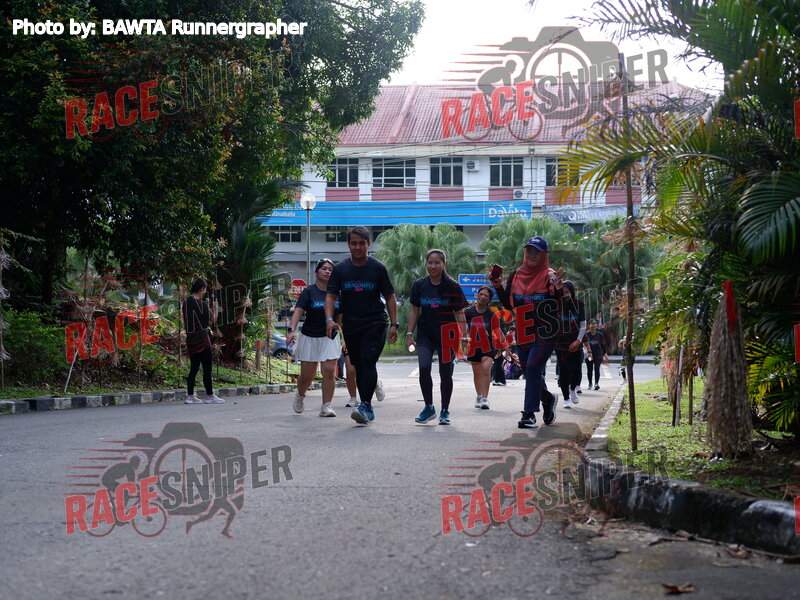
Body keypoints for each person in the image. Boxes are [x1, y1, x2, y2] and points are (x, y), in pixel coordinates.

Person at [325, 226, 398, 425]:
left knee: (368, 360)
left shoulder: (378, 268)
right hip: (351, 324)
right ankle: (366, 406)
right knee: (357, 365)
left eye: (362, 243)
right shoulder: (340, 269)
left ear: (369, 244)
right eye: (354, 243)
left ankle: (365, 405)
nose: (358, 247)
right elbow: (330, 296)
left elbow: (390, 297)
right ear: (348, 245)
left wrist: (394, 323)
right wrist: (329, 320)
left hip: (375, 322)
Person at [490, 236, 565, 428]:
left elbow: (558, 306)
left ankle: (528, 414)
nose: (532, 255)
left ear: (543, 255)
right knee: (529, 371)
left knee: (532, 368)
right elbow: (509, 304)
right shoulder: (516, 275)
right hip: (524, 329)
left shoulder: (550, 276)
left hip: (546, 330)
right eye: (529, 251)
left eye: (536, 252)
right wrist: (497, 285)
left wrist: (558, 290)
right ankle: (547, 399)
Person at [405, 249, 468, 425]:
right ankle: (428, 407)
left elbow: (460, 312)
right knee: (424, 367)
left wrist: (464, 336)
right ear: (426, 264)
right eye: (430, 262)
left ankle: (445, 410)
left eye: (437, 263)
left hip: (448, 335)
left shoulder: (452, 286)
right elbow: (415, 310)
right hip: (425, 334)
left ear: (444, 264)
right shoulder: (419, 285)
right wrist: (409, 334)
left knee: (445, 373)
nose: (433, 266)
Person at [286, 258, 342, 417]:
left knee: (329, 371)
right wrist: (291, 330)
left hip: (330, 337)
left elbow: (341, 316)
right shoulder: (309, 291)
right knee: (307, 376)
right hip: (309, 336)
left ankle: (326, 406)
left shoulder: (337, 293)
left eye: (330, 269)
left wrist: (344, 334)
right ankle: (300, 395)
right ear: (317, 272)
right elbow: (298, 311)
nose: (327, 271)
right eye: (324, 268)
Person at [182, 278, 224, 404]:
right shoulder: (202, 305)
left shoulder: (185, 304)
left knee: (194, 368)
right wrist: (215, 308)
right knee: (207, 368)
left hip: (191, 340)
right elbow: (213, 319)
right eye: (205, 289)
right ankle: (209, 395)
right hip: (202, 340)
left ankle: (190, 396)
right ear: (202, 289)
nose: (205, 291)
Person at [464, 286, 500, 410]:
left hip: (488, 346)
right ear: (477, 295)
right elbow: (462, 328)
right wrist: (463, 340)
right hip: (473, 346)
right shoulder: (468, 312)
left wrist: (502, 347)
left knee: (485, 369)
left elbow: (497, 332)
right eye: (481, 294)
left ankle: (485, 398)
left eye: (486, 296)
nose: (483, 297)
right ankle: (479, 396)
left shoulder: (491, 315)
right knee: (477, 373)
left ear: (489, 299)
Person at [555, 281, 586, 408]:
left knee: (576, 370)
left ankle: (572, 389)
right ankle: (566, 399)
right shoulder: (556, 305)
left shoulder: (579, 304)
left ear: (572, 292)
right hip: (561, 344)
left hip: (576, 343)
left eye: (567, 292)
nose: (565, 295)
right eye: (562, 293)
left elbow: (583, 325)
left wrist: (578, 340)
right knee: (564, 371)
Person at [583, 319, 608, 390]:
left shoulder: (599, 335)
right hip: (589, 354)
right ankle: (590, 383)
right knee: (589, 369)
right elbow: (583, 344)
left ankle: (596, 383)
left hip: (598, 354)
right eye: (592, 324)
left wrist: (605, 354)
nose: (594, 325)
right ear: (589, 325)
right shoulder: (586, 334)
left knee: (597, 368)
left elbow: (603, 345)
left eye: (595, 324)